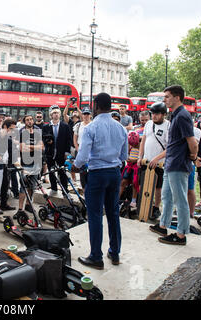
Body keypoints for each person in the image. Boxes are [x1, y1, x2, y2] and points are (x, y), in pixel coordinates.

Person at [72, 93, 128, 270]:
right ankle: (115, 252)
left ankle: (96, 256)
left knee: (95, 214)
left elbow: (82, 155)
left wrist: (75, 166)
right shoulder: (120, 128)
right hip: (114, 173)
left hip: (97, 174)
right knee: (113, 213)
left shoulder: (91, 128)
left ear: (96, 105)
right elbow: (124, 156)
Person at [149, 85, 198, 245]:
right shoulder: (177, 115)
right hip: (171, 163)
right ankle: (163, 225)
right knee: (167, 196)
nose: (164, 100)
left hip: (178, 163)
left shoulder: (183, 115)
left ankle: (181, 234)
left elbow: (192, 142)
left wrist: (192, 155)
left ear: (177, 97)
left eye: (167, 97)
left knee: (180, 199)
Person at [137, 102, 170, 219]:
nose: (154, 116)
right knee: (142, 184)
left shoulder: (168, 126)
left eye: (157, 114)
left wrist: (157, 159)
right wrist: (140, 157)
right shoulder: (149, 124)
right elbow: (143, 141)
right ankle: (143, 205)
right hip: (146, 160)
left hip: (159, 163)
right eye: (153, 114)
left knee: (158, 186)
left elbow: (169, 148)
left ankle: (156, 207)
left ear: (163, 114)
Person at [16, 115, 43, 216]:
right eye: (27, 120)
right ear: (24, 122)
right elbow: (22, 148)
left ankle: (28, 204)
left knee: (32, 185)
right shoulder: (22, 131)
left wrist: (30, 147)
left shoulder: (38, 130)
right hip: (26, 163)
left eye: (31, 119)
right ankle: (19, 209)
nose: (30, 121)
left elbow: (41, 147)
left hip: (36, 161)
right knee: (23, 186)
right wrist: (34, 147)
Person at [42, 105, 73, 196]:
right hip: (50, 153)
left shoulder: (65, 126)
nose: (56, 115)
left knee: (62, 172)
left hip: (62, 153)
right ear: (51, 115)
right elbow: (43, 138)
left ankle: (65, 190)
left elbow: (69, 140)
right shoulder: (46, 126)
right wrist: (48, 142)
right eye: (54, 113)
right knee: (51, 172)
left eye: (57, 113)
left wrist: (67, 152)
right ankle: (54, 188)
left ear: (60, 114)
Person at [119, 131, 140, 208]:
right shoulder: (129, 145)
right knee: (123, 181)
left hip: (136, 167)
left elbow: (140, 156)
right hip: (129, 165)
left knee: (135, 183)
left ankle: (134, 200)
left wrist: (135, 160)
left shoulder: (140, 146)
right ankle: (117, 198)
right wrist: (127, 158)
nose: (133, 145)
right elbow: (126, 153)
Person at [73, 108, 92, 191]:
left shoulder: (93, 125)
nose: (86, 116)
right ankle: (84, 190)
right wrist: (78, 149)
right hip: (80, 149)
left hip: (91, 151)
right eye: (84, 114)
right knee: (82, 172)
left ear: (90, 115)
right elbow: (75, 139)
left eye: (88, 114)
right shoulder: (78, 125)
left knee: (91, 171)